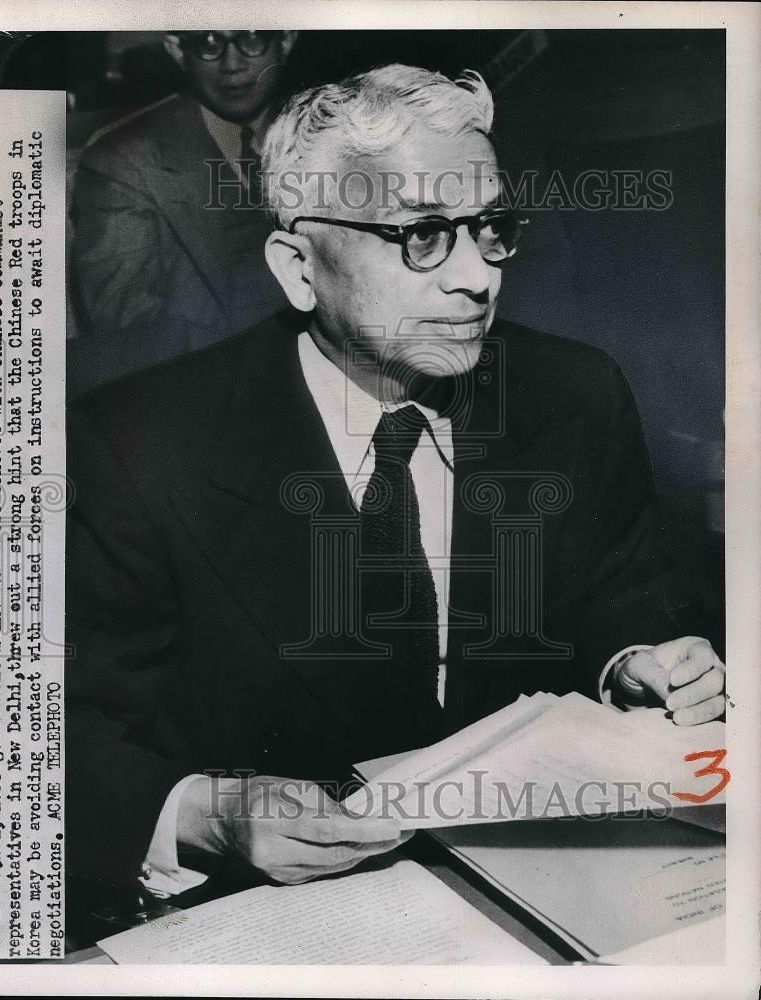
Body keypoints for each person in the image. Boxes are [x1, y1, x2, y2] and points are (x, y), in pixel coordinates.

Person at [65, 64, 726, 919]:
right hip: (259, 917)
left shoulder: (574, 392)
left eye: (490, 229)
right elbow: (46, 733)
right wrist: (201, 814)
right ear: (298, 266)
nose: (477, 278)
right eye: (421, 235)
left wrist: (635, 663)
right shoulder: (139, 444)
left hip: (539, 888)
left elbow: (619, 592)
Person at [67, 30, 297, 396]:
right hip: (209, 389)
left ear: (286, 40)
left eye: (253, 39)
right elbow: (128, 327)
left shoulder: (328, 134)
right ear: (176, 49)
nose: (232, 65)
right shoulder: (123, 159)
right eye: (208, 43)